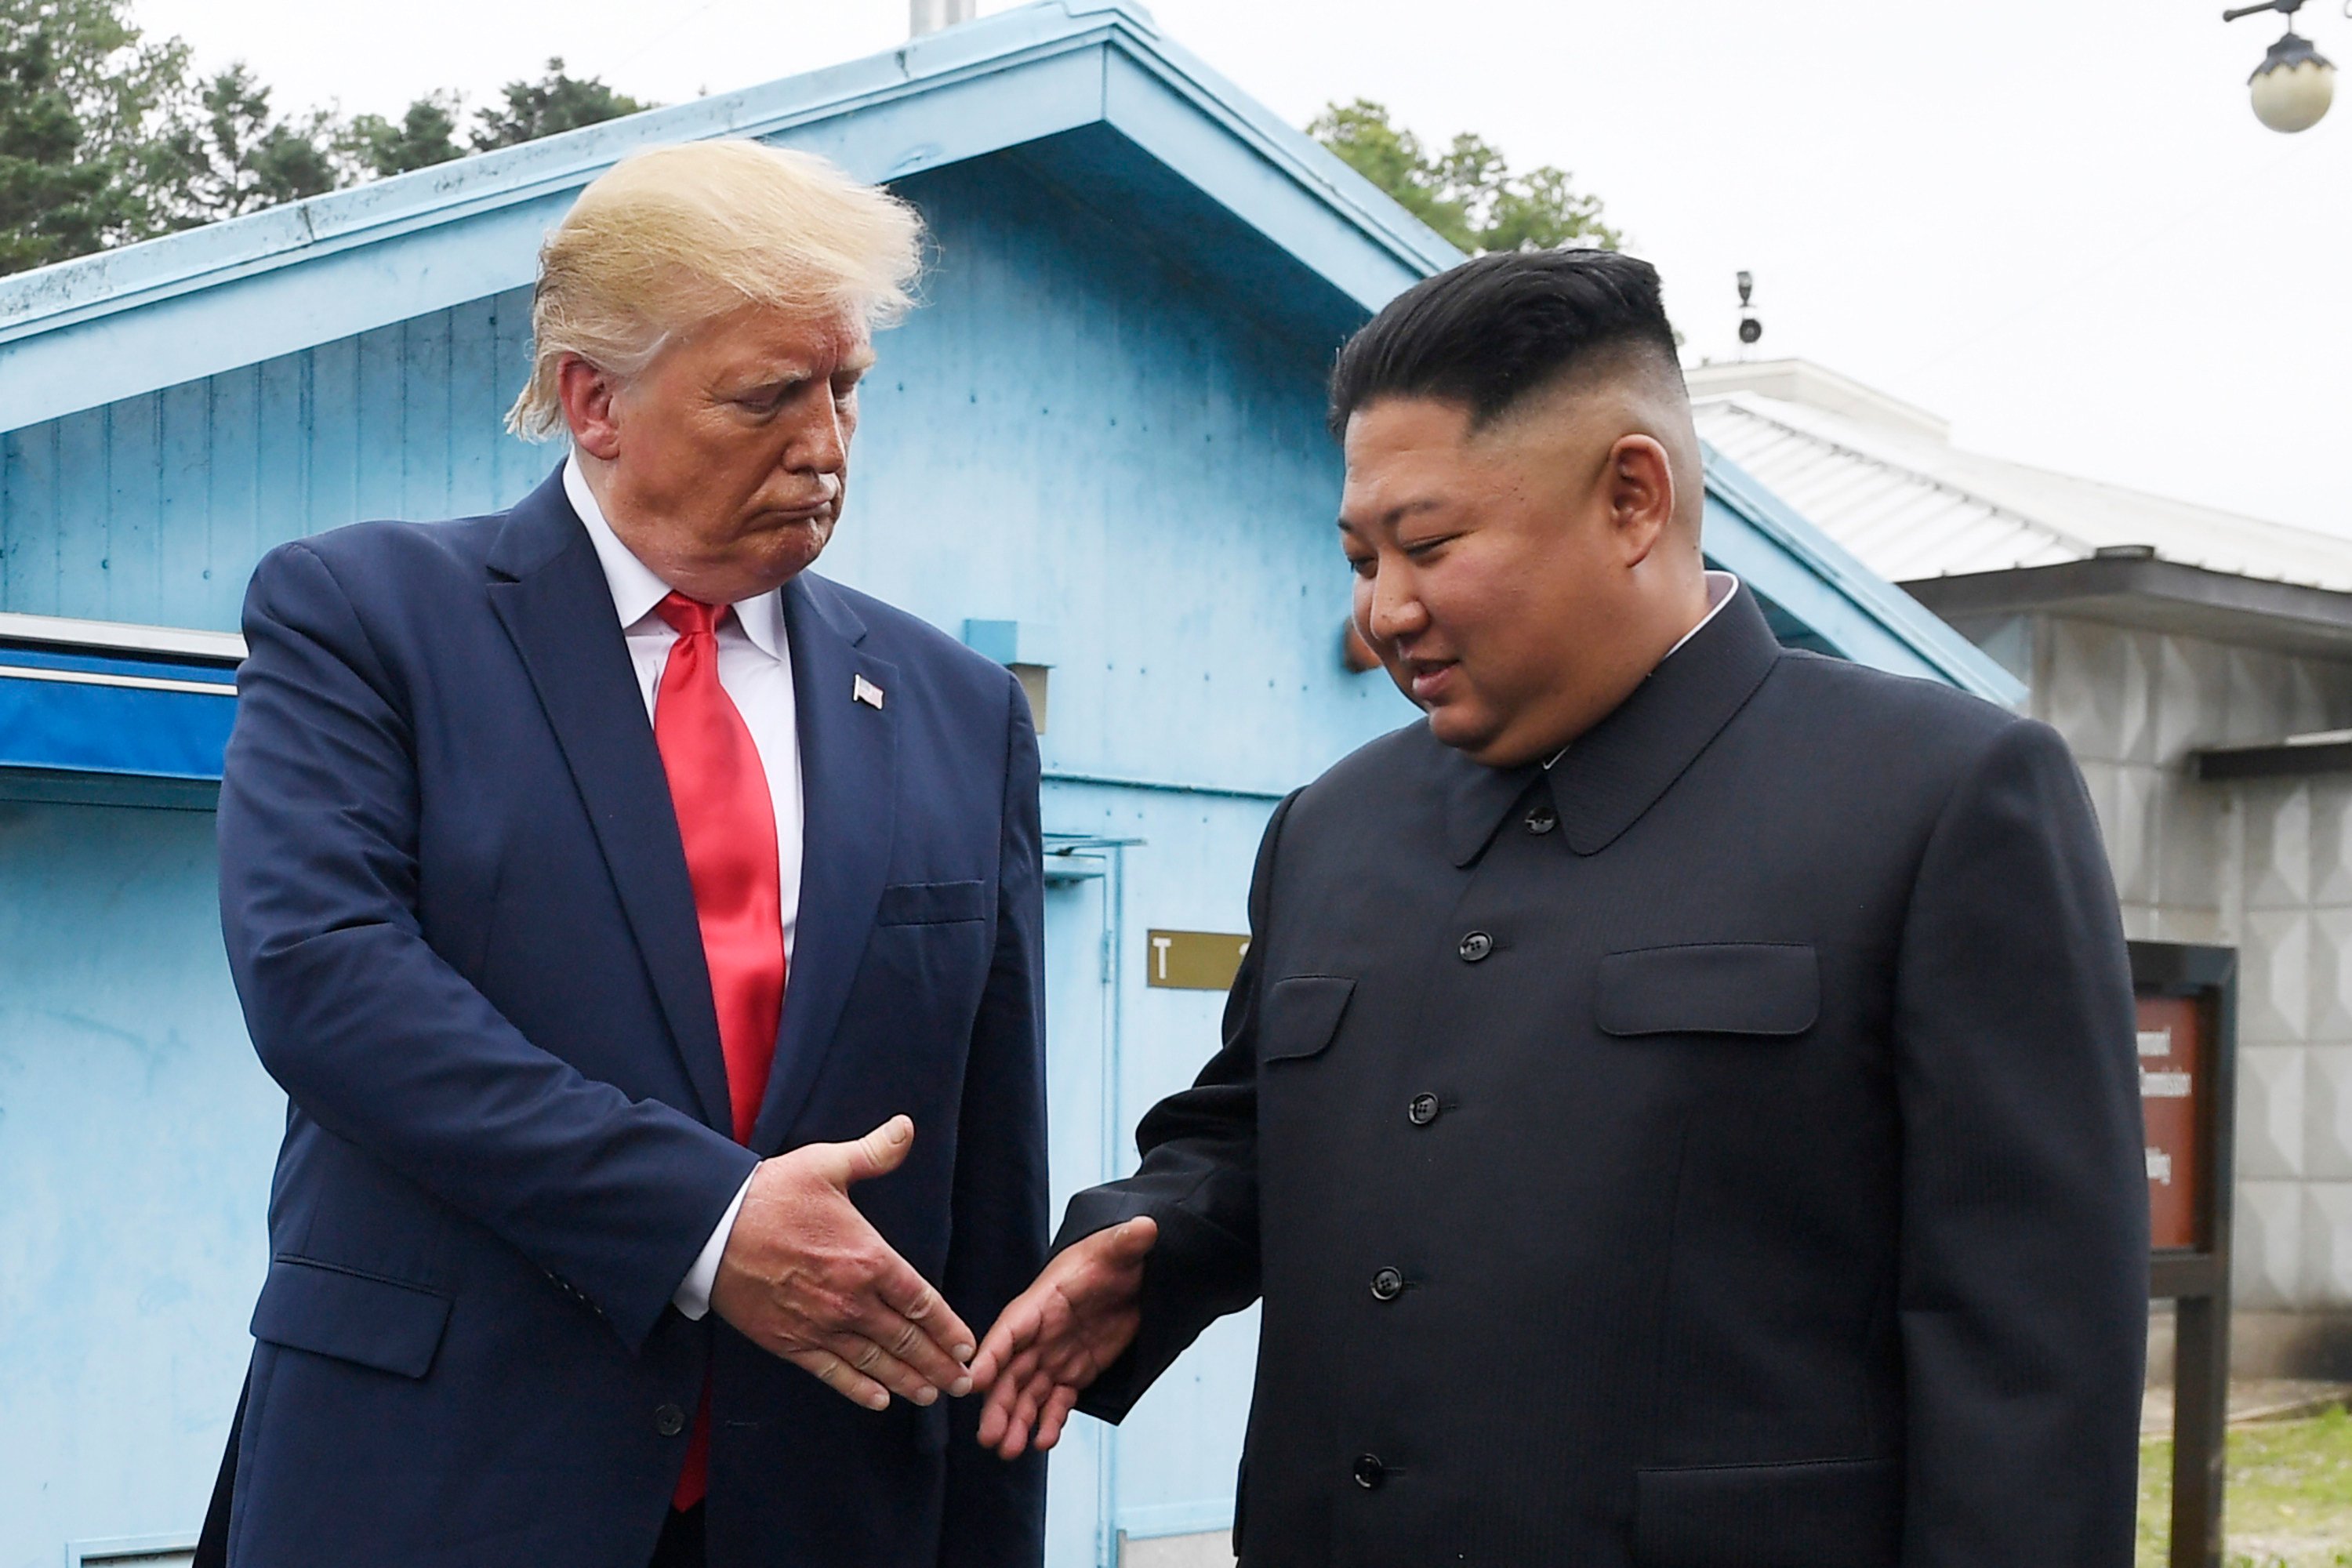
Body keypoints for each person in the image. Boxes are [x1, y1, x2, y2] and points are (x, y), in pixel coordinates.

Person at [970, 249, 2148, 1566]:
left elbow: (2034, 1352)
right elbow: (1245, 1133)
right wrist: (1149, 1242)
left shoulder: (1938, 799)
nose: (1384, 611)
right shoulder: (1332, 827)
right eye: (1362, 556)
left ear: (1632, 498)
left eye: (1428, 545)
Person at [203, 140, 1047, 1568]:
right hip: (439, 1485)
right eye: (767, 398)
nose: (826, 445)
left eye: (846, 390)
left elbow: (985, 1173)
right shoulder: (367, 616)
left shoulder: (957, 709)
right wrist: (709, 1221)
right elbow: (327, 984)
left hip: (826, 1507)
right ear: (595, 400)